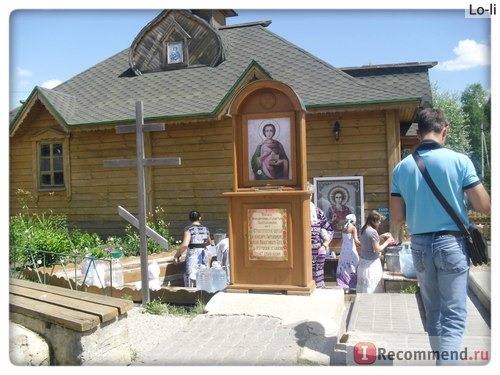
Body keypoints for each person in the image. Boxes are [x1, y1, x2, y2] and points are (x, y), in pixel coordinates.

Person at [390, 108, 490, 365]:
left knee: (433, 312)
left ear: (417, 134)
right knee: (454, 315)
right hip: (451, 243)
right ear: (444, 130)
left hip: (420, 245)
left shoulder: (401, 168)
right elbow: (483, 206)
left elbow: (397, 218)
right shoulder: (460, 161)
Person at [356, 210, 394, 294]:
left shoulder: (364, 229)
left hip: (363, 263)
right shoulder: (373, 232)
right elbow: (377, 249)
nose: (380, 223)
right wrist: (387, 241)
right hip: (371, 264)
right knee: (372, 288)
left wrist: (381, 236)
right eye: (379, 221)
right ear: (374, 221)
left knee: (364, 288)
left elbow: (368, 242)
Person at [173, 210, 212, 287]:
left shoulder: (189, 229)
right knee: (204, 278)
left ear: (190, 219)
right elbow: (209, 242)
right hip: (204, 255)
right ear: (200, 218)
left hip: (193, 256)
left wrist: (176, 255)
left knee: (191, 278)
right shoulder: (206, 229)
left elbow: (184, 245)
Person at [308, 182, 334, 289]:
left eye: (310, 194)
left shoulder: (318, 212)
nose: (308, 197)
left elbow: (329, 229)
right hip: (301, 255)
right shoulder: (296, 211)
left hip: (317, 252)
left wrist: (325, 245)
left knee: (318, 282)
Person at [336, 213, 360, 290]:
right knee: (353, 265)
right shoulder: (353, 228)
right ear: (353, 220)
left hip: (344, 250)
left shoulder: (344, 227)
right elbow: (356, 241)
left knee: (343, 266)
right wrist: (365, 244)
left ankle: (343, 283)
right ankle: (352, 284)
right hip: (351, 250)